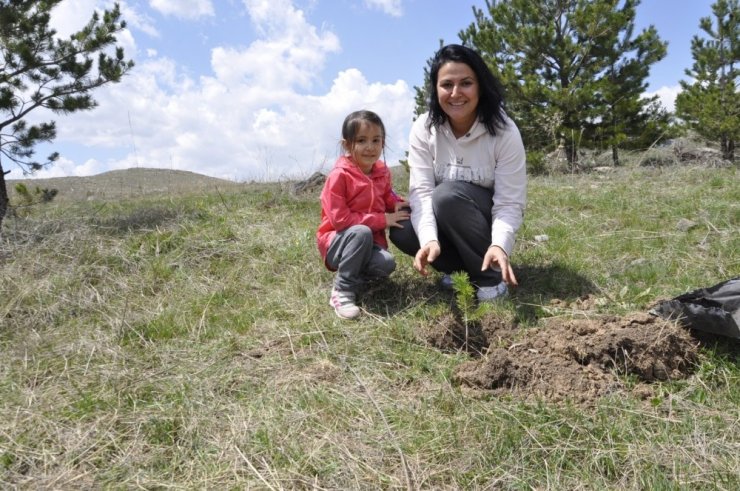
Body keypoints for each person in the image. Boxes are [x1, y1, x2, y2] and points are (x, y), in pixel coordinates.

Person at [389, 44, 527, 302]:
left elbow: (510, 202)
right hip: (446, 212)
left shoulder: (504, 131)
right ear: (436, 89)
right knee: (403, 228)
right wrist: (429, 238)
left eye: (466, 83)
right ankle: (458, 272)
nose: (455, 93)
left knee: (447, 195)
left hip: (482, 219)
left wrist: (500, 244)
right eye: (446, 85)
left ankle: (490, 279)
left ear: (480, 86)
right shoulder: (423, 128)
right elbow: (421, 191)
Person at [317, 110, 410, 319]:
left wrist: (397, 204)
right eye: (361, 140)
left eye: (376, 140)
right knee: (361, 232)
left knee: (386, 263)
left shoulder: (382, 172)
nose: (370, 147)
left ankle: (357, 280)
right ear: (347, 145)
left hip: (370, 242)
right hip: (338, 242)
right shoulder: (339, 176)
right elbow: (341, 221)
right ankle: (342, 291)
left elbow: (386, 197)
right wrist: (382, 220)